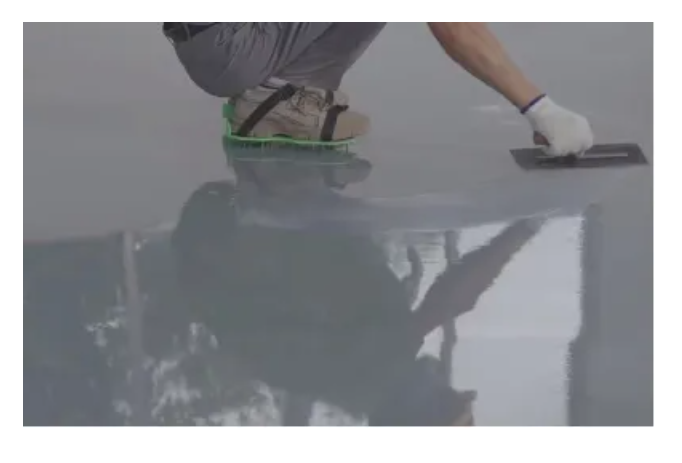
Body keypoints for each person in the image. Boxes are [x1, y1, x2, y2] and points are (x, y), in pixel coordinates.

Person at [164, 22, 593, 155]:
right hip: (228, 42)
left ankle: (280, 99)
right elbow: (454, 26)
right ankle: (276, 92)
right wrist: (540, 108)